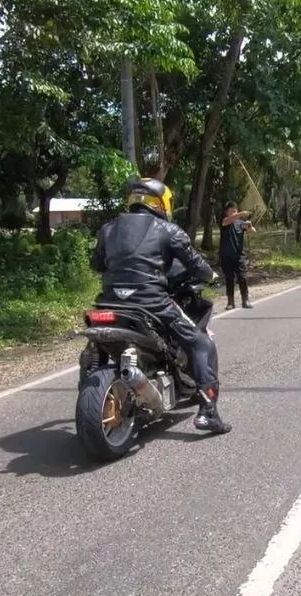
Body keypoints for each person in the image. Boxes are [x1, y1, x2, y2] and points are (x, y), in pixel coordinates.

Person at [91, 177, 231, 434]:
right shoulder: (167, 230)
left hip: (109, 303)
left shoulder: (108, 228)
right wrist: (210, 275)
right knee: (202, 343)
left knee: (92, 346)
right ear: (161, 202)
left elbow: (97, 264)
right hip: (152, 303)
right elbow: (196, 266)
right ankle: (209, 413)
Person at [219, 201, 257, 310]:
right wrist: (241, 214)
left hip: (239, 255)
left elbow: (253, 232)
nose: (234, 213)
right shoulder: (225, 221)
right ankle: (230, 302)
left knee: (242, 278)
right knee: (229, 279)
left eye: (235, 211)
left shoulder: (241, 223)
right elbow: (226, 221)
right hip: (226, 255)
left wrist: (249, 226)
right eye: (231, 211)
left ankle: (245, 300)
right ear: (226, 212)